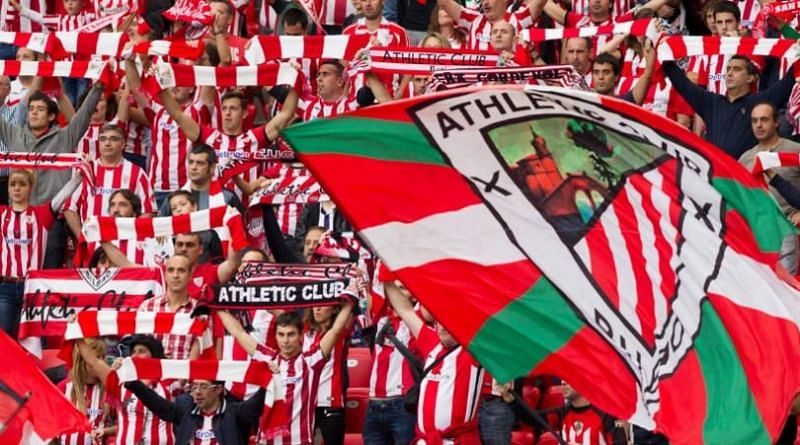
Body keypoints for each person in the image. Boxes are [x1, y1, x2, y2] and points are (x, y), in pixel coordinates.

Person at [218, 298, 356, 444]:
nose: (285, 341)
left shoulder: (311, 361)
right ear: (275, 335)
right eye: (281, 334)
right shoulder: (268, 358)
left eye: (290, 334)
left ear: (301, 336)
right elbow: (238, 332)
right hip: (267, 441)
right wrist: (216, 304)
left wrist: (349, 304)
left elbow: (335, 331)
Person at [0, 80, 106, 268]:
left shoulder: (65, 137)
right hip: (18, 218)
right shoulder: (14, 134)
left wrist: (98, 87)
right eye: (31, 108)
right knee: (15, 272)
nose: (33, 112)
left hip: (51, 220)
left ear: (51, 116)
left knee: (48, 276)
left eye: (40, 109)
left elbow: (84, 114)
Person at [384, 281, 485, 445]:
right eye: (440, 321)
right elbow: (404, 310)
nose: (443, 327)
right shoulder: (431, 342)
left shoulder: (473, 350)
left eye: (450, 322)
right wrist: (386, 277)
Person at [663, 55, 797, 159]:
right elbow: (682, 84)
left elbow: (788, 81)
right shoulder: (711, 102)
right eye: (728, 69)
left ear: (751, 78)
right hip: (716, 178)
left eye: (737, 69)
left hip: (745, 179)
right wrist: (664, 52)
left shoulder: (759, 103)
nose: (730, 73)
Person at [0, 168, 81, 336]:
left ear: (31, 188)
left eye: (22, 184)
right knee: (4, 340)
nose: (16, 188)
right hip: (5, 287)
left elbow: (64, 193)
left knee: (33, 341)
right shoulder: (2, 214)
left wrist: (80, 173)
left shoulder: (41, 214)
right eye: (12, 184)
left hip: (33, 288)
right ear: (7, 188)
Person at [64, 124, 156, 242]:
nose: (107, 143)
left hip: (125, 243)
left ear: (123, 144)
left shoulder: (137, 173)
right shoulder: (86, 171)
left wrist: (132, 237)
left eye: (113, 139)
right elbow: (69, 208)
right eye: (103, 139)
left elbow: (148, 211)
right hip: (92, 242)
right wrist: (82, 237)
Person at [76, 334, 175, 445]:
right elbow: (92, 361)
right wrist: (76, 332)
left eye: (141, 351)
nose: (135, 355)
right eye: (133, 352)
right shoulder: (121, 382)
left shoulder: (168, 382)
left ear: (153, 355)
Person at [738, 101, 800, 273]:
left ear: (776, 122)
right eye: (754, 121)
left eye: (764, 119)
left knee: (785, 287)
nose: (758, 125)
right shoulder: (745, 158)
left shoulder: (795, 151)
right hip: (756, 230)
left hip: (787, 227)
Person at [124, 376, 266, 445]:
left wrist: (271, 378)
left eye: (203, 387)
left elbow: (259, 402)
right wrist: (134, 384)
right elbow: (158, 405)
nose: (197, 392)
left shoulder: (235, 413)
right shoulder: (185, 412)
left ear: (219, 390)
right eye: (194, 387)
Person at [501, 381, 627, 445]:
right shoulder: (562, 413)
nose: (563, 382)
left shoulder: (606, 416)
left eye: (569, 378)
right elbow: (532, 418)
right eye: (562, 378)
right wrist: (512, 401)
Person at [135, 254, 205, 360]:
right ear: (165, 274)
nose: (175, 275)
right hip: (150, 372)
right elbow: (135, 345)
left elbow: (201, 352)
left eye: (181, 270)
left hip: (184, 374)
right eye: (171, 270)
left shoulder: (200, 311)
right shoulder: (146, 307)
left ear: (190, 275)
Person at [57, 337, 112, 445]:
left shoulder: (108, 390)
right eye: (96, 358)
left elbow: (123, 424)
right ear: (81, 360)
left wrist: (106, 431)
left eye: (102, 358)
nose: (100, 363)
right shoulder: (64, 387)